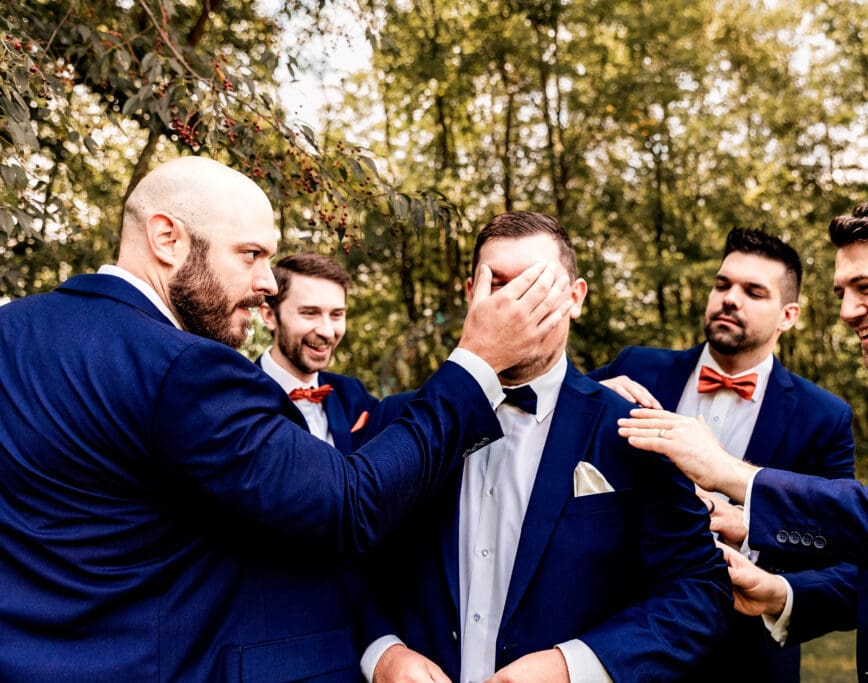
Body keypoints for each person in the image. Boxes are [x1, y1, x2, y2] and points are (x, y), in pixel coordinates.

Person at [0, 156, 574, 681]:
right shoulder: (183, 367)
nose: (267, 283)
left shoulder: (14, 331)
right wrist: (475, 362)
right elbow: (350, 505)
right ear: (166, 238)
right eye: (250, 254)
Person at [619, 193, 868, 681]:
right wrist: (784, 594)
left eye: (867, 286)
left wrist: (735, 475)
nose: (849, 311)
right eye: (841, 293)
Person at [362, 211, 732, 682]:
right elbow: (355, 569)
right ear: (470, 296)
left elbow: (700, 591)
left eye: (537, 286)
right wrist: (383, 654)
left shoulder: (634, 434)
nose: (516, 306)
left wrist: (574, 666)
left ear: (575, 299)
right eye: (497, 284)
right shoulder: (399, 421)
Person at [589, 227, 855, 683]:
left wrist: (752, 526)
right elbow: (542, 426)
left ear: (788, 315)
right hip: (619, 637)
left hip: (746, 654)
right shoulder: (636, 367)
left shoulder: (824, 416)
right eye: (722, 285)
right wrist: (587, 401)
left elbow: (838, 541)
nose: (730, 298)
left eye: (753, 291)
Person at [257, 252, 385, 451]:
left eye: (336, 315)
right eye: (309, 313)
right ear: (269, 316)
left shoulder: (353, 393)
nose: (327, 331)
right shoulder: (239, 397)